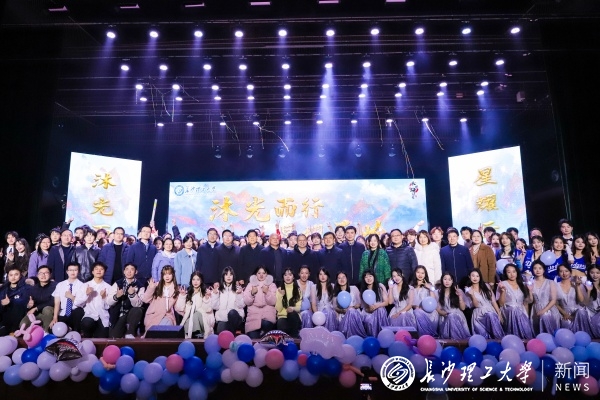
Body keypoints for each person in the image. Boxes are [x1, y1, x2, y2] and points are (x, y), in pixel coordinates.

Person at [496, 263, 534, 339]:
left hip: (521, 311)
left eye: (514, 271)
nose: (512, 274)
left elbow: (528, 302)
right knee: (514, 310)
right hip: (508, 310)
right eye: (509, 272)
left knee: (519, 313)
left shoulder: (522, 284)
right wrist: (503, 291)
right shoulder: (502, 284)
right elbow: (501, 304)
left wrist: (530, 291)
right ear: (506, 273)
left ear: (517, 272)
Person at [107, 263, 144, 339]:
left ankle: (130, 332)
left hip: (132, 315)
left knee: (137, 310)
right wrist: (116, 296)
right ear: (124, 271)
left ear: (136, 272)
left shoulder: (140, 286)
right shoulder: (117, 283)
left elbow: (139, 304)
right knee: (114, 336)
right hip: (119, 315)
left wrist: (132, 294)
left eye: (132, 269)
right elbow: (108, 302)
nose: (129, 272)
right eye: (127, 269)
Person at [76, 261, 112, 338]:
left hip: (102, 317)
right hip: (89, 315)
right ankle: (87, 336)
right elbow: (77, 303)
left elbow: (109, 306)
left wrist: (104, 297)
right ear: (92, 272)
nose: (99, 271)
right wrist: (86, 294)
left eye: (101, 269)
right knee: (87, 323)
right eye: (96, 269)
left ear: (104, 272)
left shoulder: (108, 287)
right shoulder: (85, 285)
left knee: (103, 338)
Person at [466, 269, 504, 339]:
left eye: (477, 276)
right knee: (484, 337)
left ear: (480, 277)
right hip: (479, 315)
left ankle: (499, 340)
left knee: (491, 316)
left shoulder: (486, 286)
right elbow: (476, 305)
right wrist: (472, 295)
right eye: (473, 276)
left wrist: (499, 313)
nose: (475, 278)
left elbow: (493, 301)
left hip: (490, 311)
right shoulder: (468, 290)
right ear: (469, 277)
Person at [176, 271, 215, 339]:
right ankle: (194, 334)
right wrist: (182, 296)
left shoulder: (206, 292)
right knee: (189, 319)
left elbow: (208, 309)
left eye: (198, 279)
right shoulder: (188, 292)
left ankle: (197, 334)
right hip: (190, 320)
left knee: (196, 314)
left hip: (204, 320)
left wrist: (206, 298)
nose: (195, 282)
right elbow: (179, 308)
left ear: (201, 281)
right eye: (193, 279)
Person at [142, 265, 180, 332]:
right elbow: (145, 300)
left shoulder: (176, 289)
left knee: (166, 326)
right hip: (154, 314)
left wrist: (182, 296)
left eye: (169, 274)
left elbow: (178, 307)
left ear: (173, 275)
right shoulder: (156, 286)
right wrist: (151, 288)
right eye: (165, 274)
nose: (167, 276)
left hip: (167, 315)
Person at [554, 264, 591, 333]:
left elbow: (581, 300)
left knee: (581, 311)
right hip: (564, 313)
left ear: (570, 272)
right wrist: (564, 313)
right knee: (566, 325)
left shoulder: (577, 284)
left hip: (578, 312)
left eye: (566, 271)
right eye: (561, 271)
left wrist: (577, 286)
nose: (564, 273)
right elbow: (555, 303)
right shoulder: (555, 286)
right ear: (558, 274)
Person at [50, 262, 85, 333]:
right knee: (51, 329)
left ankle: (75, 332)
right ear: (67, 272)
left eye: (75, 270)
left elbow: (81, 303)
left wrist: (71, 297)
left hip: (75, 314)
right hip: (63, 312)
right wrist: (55, 317)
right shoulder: (60, 285)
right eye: (70, 270)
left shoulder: (82, 285)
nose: (73, 272)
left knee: (78, 311)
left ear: (78, 271)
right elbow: (57, 303)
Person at [20, 265, 57, 332]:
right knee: (23, 324)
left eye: (46, 273)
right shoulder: (33, 288)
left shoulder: (55, 286)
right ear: (37, 275)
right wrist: (29, 305)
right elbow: (29, 304)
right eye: (41, 273)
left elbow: (53, 301)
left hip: (49, 313)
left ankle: (46, 332)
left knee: (47, 309)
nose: (43, 275)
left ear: (50, 275)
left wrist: (36, 308)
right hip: (36, 314)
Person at [243, 266, 277, 338]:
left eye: (263, 273)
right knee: (254, 339)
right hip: (253, 317)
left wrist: (267, 292)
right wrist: (252, 293)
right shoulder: (250, 285)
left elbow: (273, 301)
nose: (261, 275)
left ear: (266, 274)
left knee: (266, 326)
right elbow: (246, 302)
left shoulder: (272, 285)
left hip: (267, 316)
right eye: (259, 273)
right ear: (256, 274)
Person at [530, 260, 560, 335]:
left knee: (546, 319)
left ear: (543, 270)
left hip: (549, 309)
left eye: (540, 268)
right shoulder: (530, 283)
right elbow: (530, 300)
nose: (537, 270)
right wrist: (529, 290)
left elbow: (553, 300)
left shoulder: (550, 282)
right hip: (536, 309)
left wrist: (543, 311)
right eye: (535, 268)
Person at [437, 272, 470, 339]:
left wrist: (459, 296)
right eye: (445, 279)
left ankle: (458, 341)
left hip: (457, 316)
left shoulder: (458, 291)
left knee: (452, 316)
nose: (447, 281)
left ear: (452, 281)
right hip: (445, 316)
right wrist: (442, 313)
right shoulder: (438, 292)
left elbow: (463, 308)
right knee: (450, 316)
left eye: (449, 279)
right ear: (442, 280)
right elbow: (437, 308)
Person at [212, 267, 245, 334]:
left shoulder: (238, 289)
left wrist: (239, 294)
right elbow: (215, 307)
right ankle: (233, 333)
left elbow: (241, 305)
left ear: (233, 276)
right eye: (226, 274)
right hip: (223, 319)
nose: (228, 277)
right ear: (223, 276)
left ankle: (234, 332)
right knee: (221, 329)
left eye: (231, 274)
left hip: (235, 318)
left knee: (232, 313)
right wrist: (215, 294)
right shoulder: (218, 289)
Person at [333, 271, 366, 338]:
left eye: (343, 277)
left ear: (347, 278)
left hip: (354, 314)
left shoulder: (354, 288)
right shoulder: (335, 292)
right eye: (339, 278)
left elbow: (360, 303)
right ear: (337, 280)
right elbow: (335, 307)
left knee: (351, 311)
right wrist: (343, 310)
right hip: (343, 315)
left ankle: (356, 337)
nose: (342, 279)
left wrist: (352, 308)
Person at [0, 266, 30, 335]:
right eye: (11, 275)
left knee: (17, 304)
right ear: (8, 276)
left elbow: (24, 302)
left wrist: (10, 302)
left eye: (16, 274)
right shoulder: (3, 288)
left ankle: (12, 331)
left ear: (20, 275)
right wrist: (2, 303)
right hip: (4, 316)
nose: (13, 277)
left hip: (18, 317)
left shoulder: (26, 288)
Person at [359, 269, 389, 337]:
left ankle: (383, 336)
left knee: (380, 310)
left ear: (374, 277)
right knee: (369, 319)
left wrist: (377, 306)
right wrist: (370, 309)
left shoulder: (380, 286)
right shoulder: (363, 290)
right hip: (368, 312)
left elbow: (386, 302)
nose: (368, 278)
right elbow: (365, 307)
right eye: (366, 277)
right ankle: (373, 337)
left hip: (379, 310)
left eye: (370, 276)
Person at [411, 265, 438, 337]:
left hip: (428, 312)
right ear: (415, 273)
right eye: (418, 272)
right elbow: (408, 301)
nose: (420, 275)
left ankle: (428, 336)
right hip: (415, 310)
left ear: (425, 274)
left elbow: (433, 301)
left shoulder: (429, 286)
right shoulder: (411, 286)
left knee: (419, 312)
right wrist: (415, 306)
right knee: (416, 312)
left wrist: (429, 288)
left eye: (422, 273)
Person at [276, 268, 302, 337]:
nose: (287, 277)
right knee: (281, 323)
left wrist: (292, 309)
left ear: (293, 277)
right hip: (282, 317)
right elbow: (278, 309)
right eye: (285, 275)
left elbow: (299, 308)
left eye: (290, 275)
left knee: (292, 314)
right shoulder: (279, 290)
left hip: (294, 317)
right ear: (283, 277)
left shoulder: (298, 290)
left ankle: (294, 340)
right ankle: (284, 342)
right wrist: (281, 296)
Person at [585, 265, 600, 338]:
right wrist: (588, 291)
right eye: (592, 273)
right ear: (588, 273)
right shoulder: (587, 284)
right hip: (590, 312)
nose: (595, 275)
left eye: (597, 273)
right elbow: (585, 303)